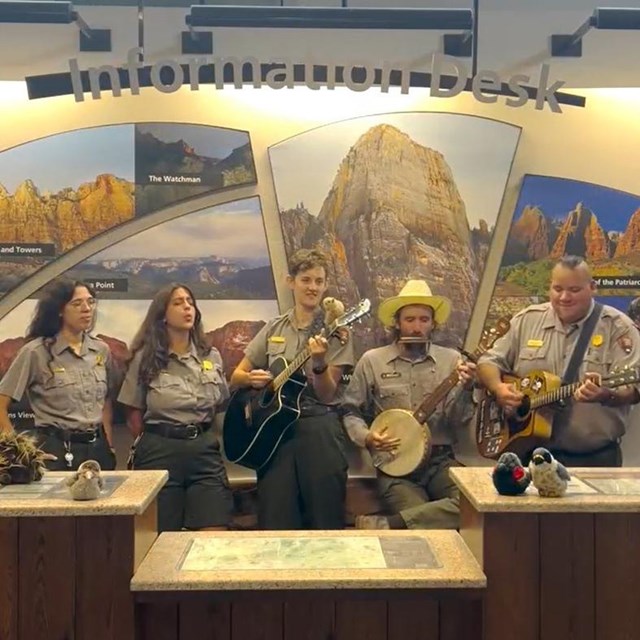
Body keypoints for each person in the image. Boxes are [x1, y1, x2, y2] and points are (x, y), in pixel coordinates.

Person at [230, 248, 355, 530]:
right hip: (275, 433)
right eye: (306, 279)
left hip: (319, 428)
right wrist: (252, 380)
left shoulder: (337, 330)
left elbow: (327, 393)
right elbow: (236, 376)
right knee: (276, 518)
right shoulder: (274, 326)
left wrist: (320, 363)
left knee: (326, 517)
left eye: (319, 281)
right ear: (291, 282)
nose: (313, 287)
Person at [477, 255, 640, 467]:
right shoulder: (527, 320)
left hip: (592, 459)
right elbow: (488, 361)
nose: (564, 297)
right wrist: (499, 389)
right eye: (557, 289)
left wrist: (605, 394)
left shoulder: (619, 328)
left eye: (574, 290)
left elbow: (634, 390)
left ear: (592, 287)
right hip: (526, 452)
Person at [341, 279, 475, 530]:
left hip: (441, 461)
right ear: (397, 322)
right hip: (395, 466)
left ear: (433, 324)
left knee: (473, 506)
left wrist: (467, 389)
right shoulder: (372, 361)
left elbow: (458, 420)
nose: (417, 327)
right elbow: (350, 410)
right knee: (421, 523)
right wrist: (367, 437)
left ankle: (390, 524)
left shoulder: (452, 361)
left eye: (424, 320)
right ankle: (407, 522)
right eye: (410, 319)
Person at [118, 283, 232, 532]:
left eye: (190, 302)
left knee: (214, 532)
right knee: (161, 536)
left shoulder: (210, 356)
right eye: (178, 303)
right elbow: (133, 414)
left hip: (203, 449)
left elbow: (221, 406)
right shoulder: (145, 357)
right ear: (162, 315)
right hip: (160, 450)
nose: (187, 308)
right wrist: (161, 439)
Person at [0, 278, 116, 470]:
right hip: (55, 449)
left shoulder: (101, 350)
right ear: (60, 310)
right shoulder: (36, 352)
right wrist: (21, 452)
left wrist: (109, 443)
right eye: (77, 303)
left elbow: (106, 401)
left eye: (90, 302)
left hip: (97, 450)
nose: (86, 308)